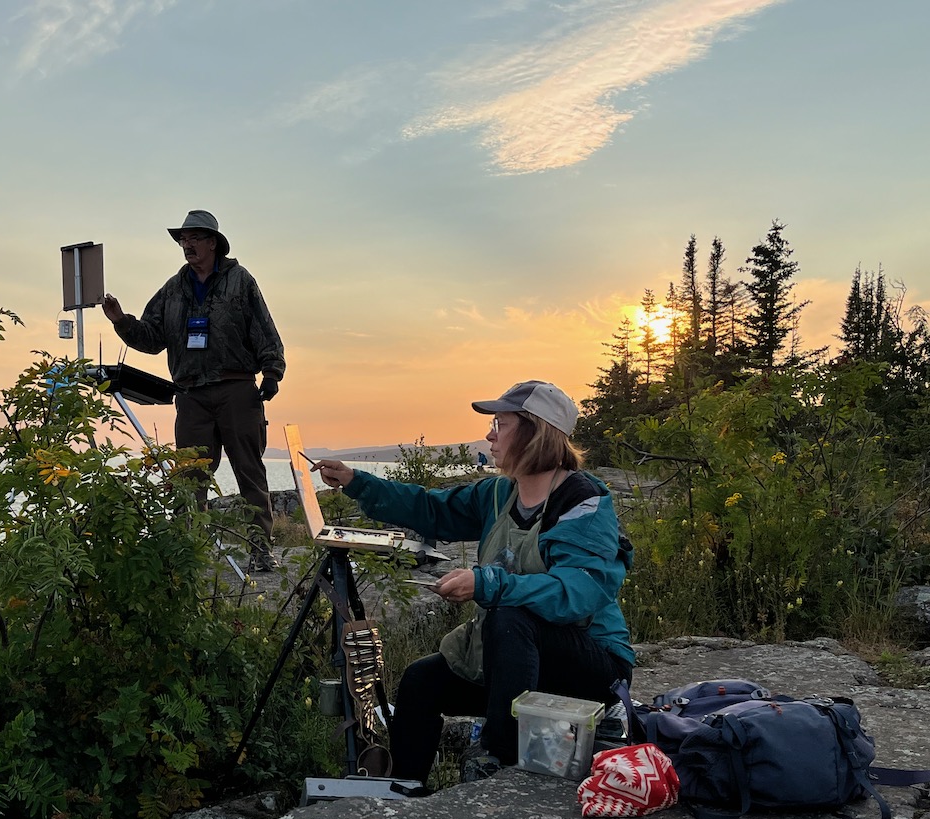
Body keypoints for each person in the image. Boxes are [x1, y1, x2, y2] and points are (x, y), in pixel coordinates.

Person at [312, 380, 634, 785]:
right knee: (420, 681)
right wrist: (357, 481)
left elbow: (577, 595)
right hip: (518, 664)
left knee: (509, 615)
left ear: (535, 433)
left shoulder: (580, 503)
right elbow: (432, 510)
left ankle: (498, 758)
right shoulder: (501, 494)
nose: (489, 434)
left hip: (592, 668)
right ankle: (404, 795)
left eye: (500, 424)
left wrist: (487, 584)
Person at [102, 210, 286, 572]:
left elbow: (265, 329)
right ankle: (187, 554)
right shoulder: (173, 288)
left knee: (249, 472)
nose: (187, 245)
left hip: (236, 388)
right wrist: (121, 322)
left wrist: (272, 372)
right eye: (182, 240)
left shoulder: (240, 281)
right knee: (189, 479)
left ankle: (261, 550)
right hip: (190, 397)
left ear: (212, 242)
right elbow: (153, 339)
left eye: (194, 238)